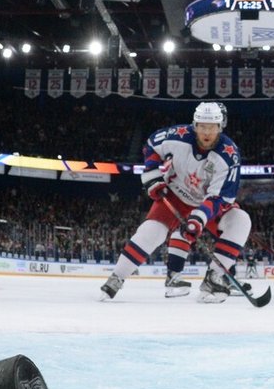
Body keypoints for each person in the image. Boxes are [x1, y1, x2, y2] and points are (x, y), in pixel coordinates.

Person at [100, 102, 251, 303]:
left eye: (212, 126)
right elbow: (152, 144)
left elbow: (220, 197)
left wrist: (199, 217)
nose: (207, 132)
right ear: (194, 125)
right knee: (152, 232)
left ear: (220, 126)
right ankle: (116, 278)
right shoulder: (178, 135)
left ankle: (214, 278)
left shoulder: (229, 155)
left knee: (241, 220)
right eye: (202, 126)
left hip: (207, 203)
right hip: (175, 195)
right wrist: (153, 174)